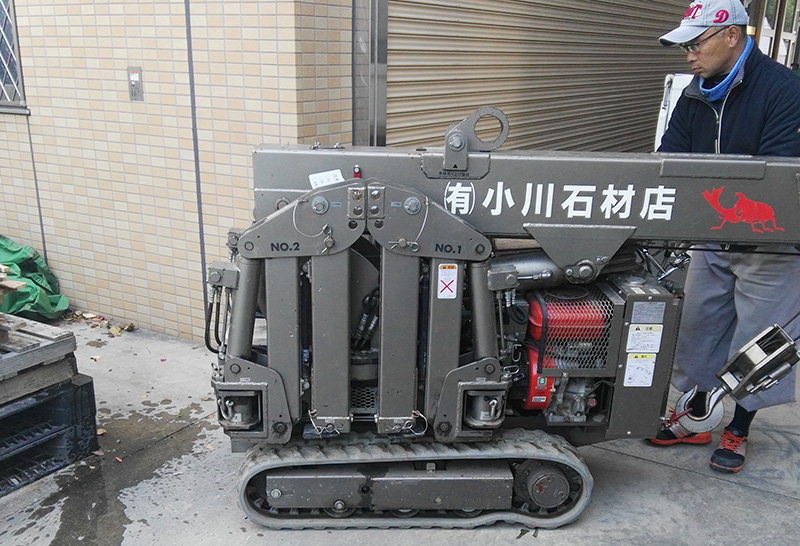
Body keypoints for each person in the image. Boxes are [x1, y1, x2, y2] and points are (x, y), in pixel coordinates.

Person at [650, 0, 800, 473]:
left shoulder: (783, 90)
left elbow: (776, 175)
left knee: (760, 339)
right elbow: (670, 156)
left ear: (731, 36)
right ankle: (697, 418)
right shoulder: (695, 93)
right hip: (711, 234)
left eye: (697, 44)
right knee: (699, 329)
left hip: (770, 242)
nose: (689, 56)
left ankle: (739, 427)